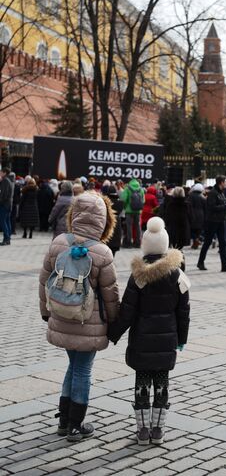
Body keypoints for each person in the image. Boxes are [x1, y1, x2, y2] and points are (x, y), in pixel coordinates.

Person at [39, 192, 119, 442]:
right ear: (103, 221)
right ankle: (76, 424)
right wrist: (114, 323)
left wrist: (45, 312)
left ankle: (64, 421)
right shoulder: (102, 253)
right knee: (83, 370)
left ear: (74, 214)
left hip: (61, 315)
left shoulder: (59, 242)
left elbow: (43, 281)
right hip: (89, 323)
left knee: (72, 366)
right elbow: (110, 294)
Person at [108, 217, 190, 446]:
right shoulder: (178, 276)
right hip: (167, 342)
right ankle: (158, 430)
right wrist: (181, 340)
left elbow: (127, 311)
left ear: (146, 245)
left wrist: (113, 334)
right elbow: (184, 314)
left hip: (142, 342)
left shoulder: (138, 277)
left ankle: (142, 431)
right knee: (162, 384)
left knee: (142, 384)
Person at [197, 175, 226, 272]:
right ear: (221, 183)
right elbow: (212, 207)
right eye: (224, 182)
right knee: (208, 242)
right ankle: (200, 262)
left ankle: (225, 265)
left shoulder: (221, 193)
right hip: (212, 221)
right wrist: (225, 207)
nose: (225, 184)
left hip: (221, 220)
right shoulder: (213, 193)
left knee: (223, 243)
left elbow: (220, 206)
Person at [122, 178, 145, 248]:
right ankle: (138, 243)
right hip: (138, 211)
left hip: (129, 211)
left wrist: (125, 207)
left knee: (129, 227)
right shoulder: (141, 189)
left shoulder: (127, 188)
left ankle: (129, 243)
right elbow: (143, 201)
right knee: (137, 227)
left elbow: (124, 199)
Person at [106, 185, 124, 257]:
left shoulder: (105, 202)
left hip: (107, 223)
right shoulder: (120, 203)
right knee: (113, 250)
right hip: (117, 224)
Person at [188, 183, 206, 249]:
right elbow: (205, 207)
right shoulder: (203, 197)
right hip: (201, 215)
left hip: (193, 214)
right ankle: (196, 242)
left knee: (191, 229)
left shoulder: (191, 196)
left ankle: (195, 240)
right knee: (198, 230)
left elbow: (188, 205)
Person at [0, 168, 13, 246]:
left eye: (1, 172)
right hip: (7, 204)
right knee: (7, 221)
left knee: (3, 221)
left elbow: (3, 195)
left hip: (4, 205)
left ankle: (6, 238)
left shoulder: (5, 181)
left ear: (4, 173)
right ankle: (8, 238)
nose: (0, 173)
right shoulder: (8, 180)